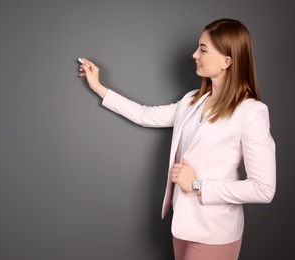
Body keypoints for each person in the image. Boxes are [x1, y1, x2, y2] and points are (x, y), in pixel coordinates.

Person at [78, 18, 276, 260]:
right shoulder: (192, 100)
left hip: (215, 232)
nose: (195, 54)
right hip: (181, 225)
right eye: (197, 47)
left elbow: (263, 189)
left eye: (203, 49)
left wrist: (197, 186)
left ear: (227, 61)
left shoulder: (251, 112)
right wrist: (98, 86)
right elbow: (144, 115)